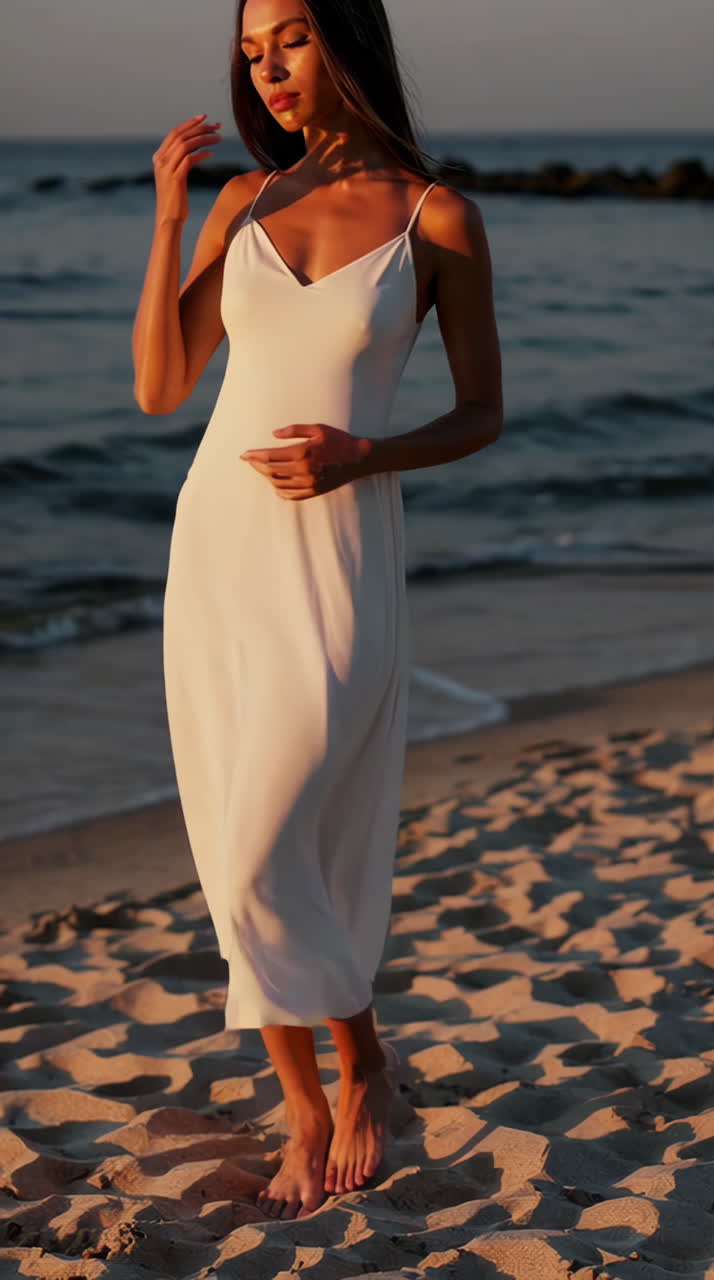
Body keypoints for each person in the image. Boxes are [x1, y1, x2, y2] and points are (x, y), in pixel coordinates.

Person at [132, 0, 503, 1222]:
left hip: (341, 552)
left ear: (344, 36)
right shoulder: (246, 204)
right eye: (250, 51)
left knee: (265, 847)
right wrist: (175, 214)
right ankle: (319, 1091)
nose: (269, 67)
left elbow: (479, 414)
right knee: (241, 841)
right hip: (222, 556)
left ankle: (365, 1063)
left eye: (289, 37)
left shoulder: (432, 216)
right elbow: (160, 387)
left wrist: (363, 454)